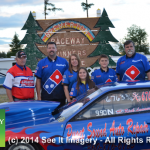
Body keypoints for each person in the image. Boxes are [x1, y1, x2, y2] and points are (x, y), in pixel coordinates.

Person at [35, 41, 68, 107]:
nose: (51, 49)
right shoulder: (41, 63)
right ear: (47, 50)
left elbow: (68, 79)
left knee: (61, 116)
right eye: (49, 48)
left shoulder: (64, 62)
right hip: (46, 97)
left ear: (56, 49)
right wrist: (39, 97)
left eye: (53, 48)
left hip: (61, 97)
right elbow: (38, 80)